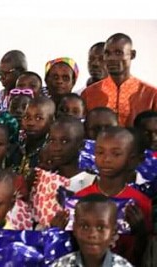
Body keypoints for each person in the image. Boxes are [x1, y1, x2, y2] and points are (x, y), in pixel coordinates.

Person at [75, 127, 152, 265]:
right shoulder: (80, 199)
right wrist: (57, 229)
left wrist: (140, 232)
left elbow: (143, 256)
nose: (106, 159)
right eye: (100, 152)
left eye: (116, 154)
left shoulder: (140, 202)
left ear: (131, 160)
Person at [81, 33, 157, 127]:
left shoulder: (152, 95)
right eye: (107, 53)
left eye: (118, 53)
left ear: (132, 55)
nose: (112, 58)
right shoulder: (88, 94)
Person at [51, 194, 133, 267]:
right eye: (85, 227)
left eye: (100, 227)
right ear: (74, 228)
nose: (92, 234)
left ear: (113, 232)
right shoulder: (60, 264)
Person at [19, 96, 55, 177]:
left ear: (51, 121)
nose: (31, 123)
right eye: (26, 117)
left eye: (39, 118)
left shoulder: (51, 153)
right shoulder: (16, 146)